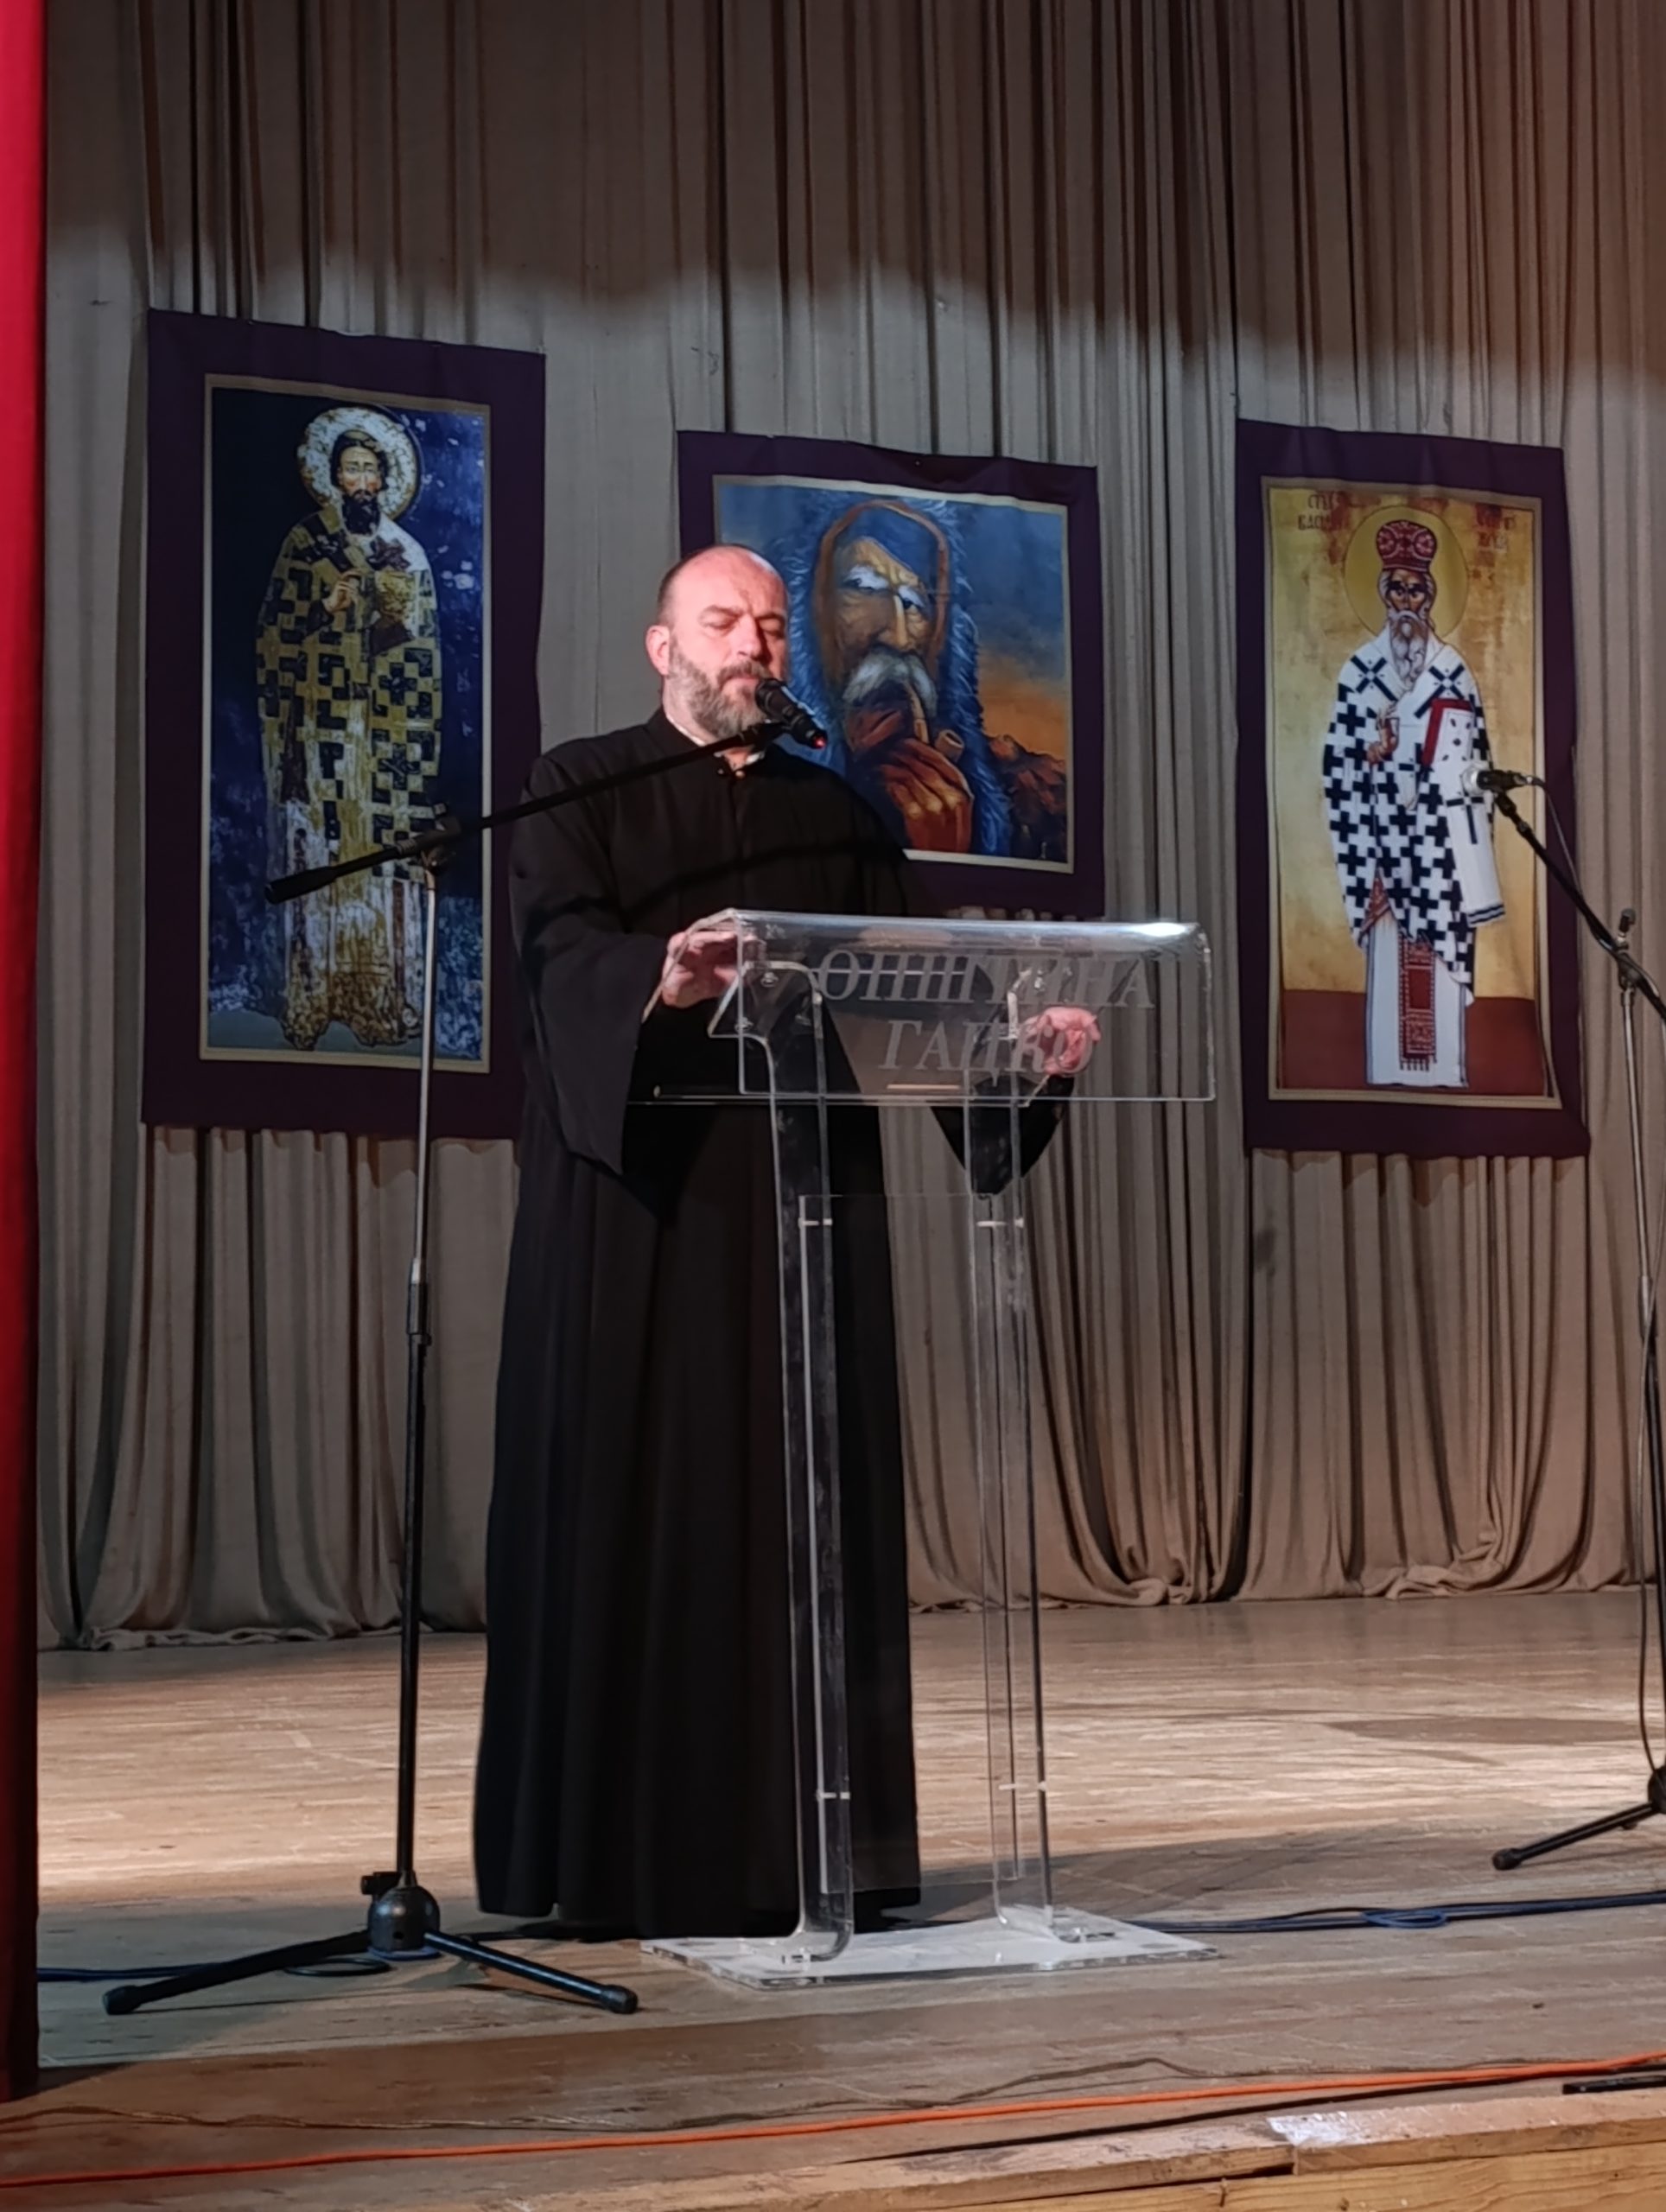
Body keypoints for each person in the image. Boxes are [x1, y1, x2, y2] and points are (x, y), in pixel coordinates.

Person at [473, 544, 1095, 1937]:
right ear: (663, 646)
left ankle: (816, 1857)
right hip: (640, 1218)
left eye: (765, 624)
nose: (751, 644)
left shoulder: (841, 814)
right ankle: (613, 1858)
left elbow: (913, 997)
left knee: (805, 1524)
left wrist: (1016, 1062)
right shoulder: (576, 787)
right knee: (634, 1513)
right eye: (721, 621)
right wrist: (658, 974)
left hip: (804, 1207)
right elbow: (558, 964)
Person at [257, 405, 441, 1050]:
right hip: (323, 732)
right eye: (350, 468)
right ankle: (312, 998)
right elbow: (274, 638)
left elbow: (423, 654)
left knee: (378, 865)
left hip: (384, 737)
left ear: (384, 480)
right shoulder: (306, 544)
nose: (360, 480)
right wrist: (325, 608)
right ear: (333, 477)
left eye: (369, 469)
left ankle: (378, 1003)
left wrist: (393, 626)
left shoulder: (407, 553)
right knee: (320, 856)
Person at [1321, 517, 1504, 1088]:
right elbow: (1337, 762)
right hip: (1382, 844)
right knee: (1392, 962)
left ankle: (1442, 1071)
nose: (1406, 602)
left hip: (1438, 849)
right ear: (1383, 594)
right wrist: (1372, 752)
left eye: (1416, 590)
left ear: (1431, 596)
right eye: (1397, 589)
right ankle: (1391, 1069)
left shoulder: (1454, 673)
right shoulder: (1360, 672)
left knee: (1438, 965)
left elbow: (1479, 763)